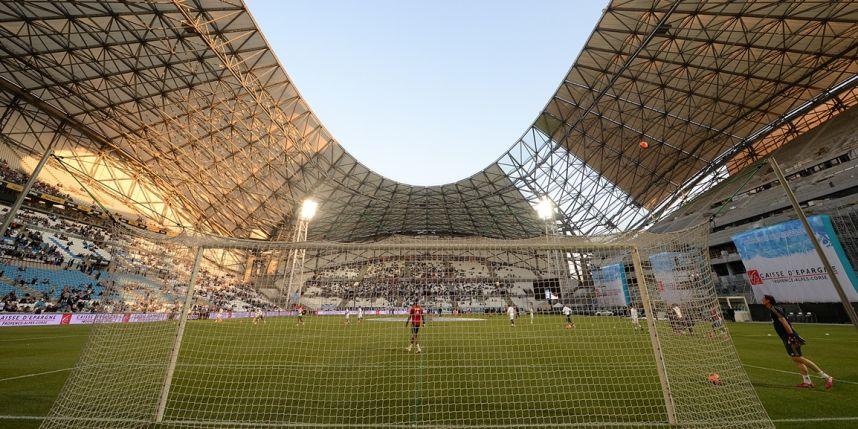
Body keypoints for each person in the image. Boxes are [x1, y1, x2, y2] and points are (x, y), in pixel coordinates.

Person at [762, 295, 833, 389]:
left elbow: (784, 321)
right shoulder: (775, 309)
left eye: (764, 299)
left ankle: (826, 377)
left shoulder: (774, 309)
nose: (762, 300)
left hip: (788, 336)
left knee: (799, 358)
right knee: (796, 359)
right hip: (787, 336)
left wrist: (791, 335)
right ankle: (807, 382)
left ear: (768, 301)